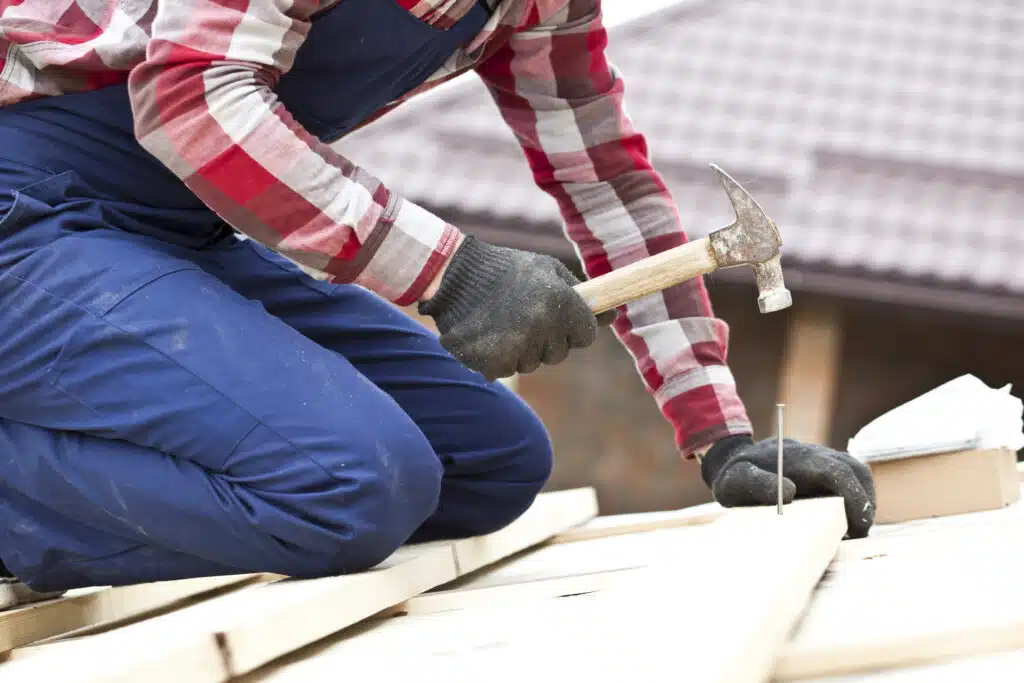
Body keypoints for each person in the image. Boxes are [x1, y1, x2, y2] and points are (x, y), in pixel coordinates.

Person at [0, 0, 875, 608]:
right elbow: (190, 98)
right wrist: (451, 273)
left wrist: (720, 438)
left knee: (492, 461)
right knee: (351, 482)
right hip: (25, 210)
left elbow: (604, 184)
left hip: (171, 226)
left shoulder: (534, 10)